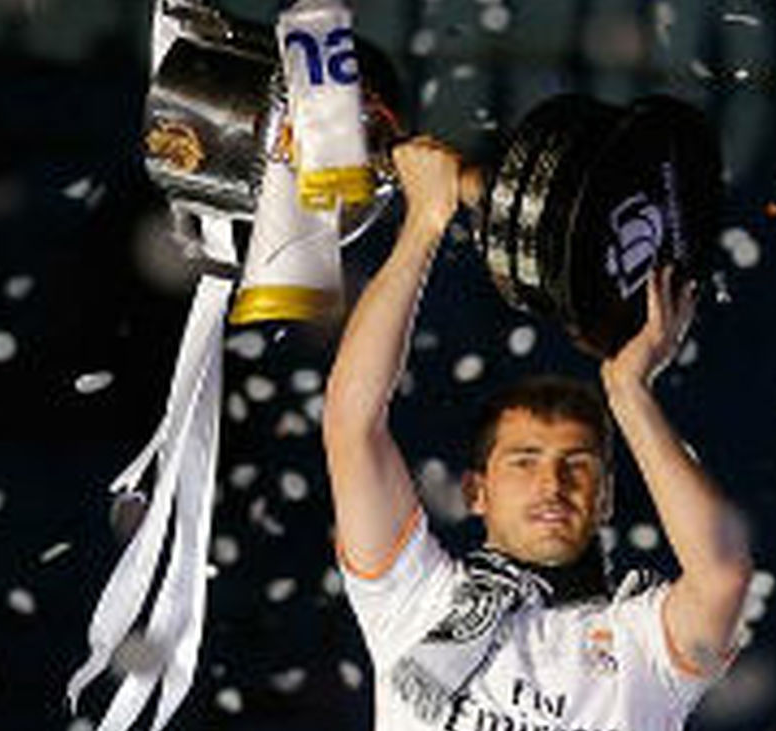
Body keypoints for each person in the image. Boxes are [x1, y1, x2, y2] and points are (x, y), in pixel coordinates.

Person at [322, 136, 753, 731]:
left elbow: (723, 573)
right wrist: (424, 222)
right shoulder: (415, 602)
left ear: (603, 498)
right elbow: (352, 423)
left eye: (577, 463)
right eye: (523, 461)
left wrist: (629, 391)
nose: (552, 483)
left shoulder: (642, 650)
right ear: (476, 492)